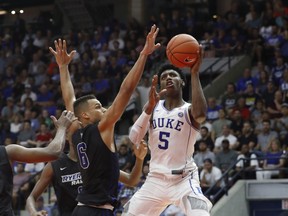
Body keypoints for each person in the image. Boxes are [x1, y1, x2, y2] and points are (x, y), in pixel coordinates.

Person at [48, 24, 159, 215]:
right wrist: (143, 55)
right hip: (94, 211)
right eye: (98, 107)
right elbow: (125, 90)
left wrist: (63, 67)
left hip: (86, 210)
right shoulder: (102, 128)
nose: (105, 109)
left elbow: (70, 99)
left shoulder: (75, 129)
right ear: (86, 115)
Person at [125, 51, 212, 215]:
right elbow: (134, 137)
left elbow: (200, 115)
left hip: (184, 179)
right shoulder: (153, 108)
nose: (168, 78)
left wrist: (194, 73)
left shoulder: (189, 110)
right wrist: (148, 108)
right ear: (160, 85)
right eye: (164, 76)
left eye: (173, 75)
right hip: (155, 179)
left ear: (182, 82)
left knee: (201, 213)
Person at [0, 110, 74, 216]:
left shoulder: (6, 152)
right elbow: (53, 152)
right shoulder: (7, 152)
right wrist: (62, 128)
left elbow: (53, 152)